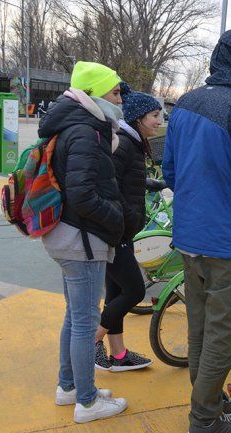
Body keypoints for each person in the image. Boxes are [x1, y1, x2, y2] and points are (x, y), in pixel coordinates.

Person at [162, 29, 231, 433]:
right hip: (228, 245)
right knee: (219, 338)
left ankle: (209, 404)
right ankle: (204, 420)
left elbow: (169, 170)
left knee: (200, 330)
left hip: (190, 240)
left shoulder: (187, 104)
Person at [40, 61, 127, 423]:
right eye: (115, 92)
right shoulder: (86, 131)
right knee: (84, 321)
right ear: (94, 95)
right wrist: (116, 218)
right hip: (82, 240)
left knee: (74, 317)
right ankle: (88, 402)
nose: (120, 99)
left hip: (68, 236)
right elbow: (82, 194)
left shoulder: (76, 124)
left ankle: (69, 386)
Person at [93, 83, 162, 372]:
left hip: (120, 231)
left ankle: (118, 355)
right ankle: (91, 342)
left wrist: (150, 183)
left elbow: (124, 182)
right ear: (138, 118)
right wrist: (125, 220)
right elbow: (109, 188)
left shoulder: (132, 143)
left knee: (115, 292)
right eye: (155, 115)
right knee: (133, 292)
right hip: (115, 232)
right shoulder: (123, 144)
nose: (160, 121)